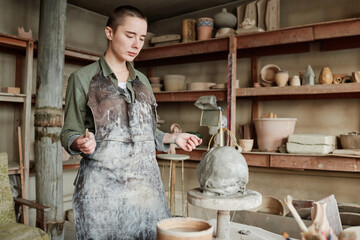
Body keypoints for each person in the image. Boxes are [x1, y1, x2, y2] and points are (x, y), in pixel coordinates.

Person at [60, 5, 202, 240]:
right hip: (102, 192)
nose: (137, 45)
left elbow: (147, 131)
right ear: (109, 33)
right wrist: (80, 142)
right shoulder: (83, 79)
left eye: (142, 38)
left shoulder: (143, 81)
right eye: (130, 35)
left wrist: (174, 137)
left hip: (145, 190)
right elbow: (69, 132)